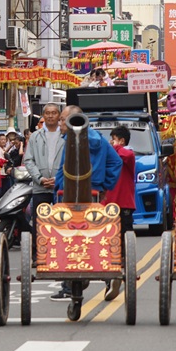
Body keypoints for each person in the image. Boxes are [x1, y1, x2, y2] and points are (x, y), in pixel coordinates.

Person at [50, 105, 123, 300]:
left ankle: (68, 287)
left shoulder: (75, 139)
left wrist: (57, 188)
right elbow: (116, 162)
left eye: (63, 119)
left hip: (70, 195)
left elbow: (63, 169)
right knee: (95, 235)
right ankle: (108, 277)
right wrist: (104, 185)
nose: (60, 123)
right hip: (93, 194)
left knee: (68, 237)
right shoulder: (97, 139)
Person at [23, 102, 65, 247]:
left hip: (60, 187)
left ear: (59, 116)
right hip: (40, 186)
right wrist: (39, 179)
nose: (50, 116)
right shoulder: (35, 136)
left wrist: (58, 179)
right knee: (39, 221)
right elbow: (28, 160)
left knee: (63, 220)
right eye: (47, 113)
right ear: (43, 116)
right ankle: (38, 253)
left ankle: (61, 251)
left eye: (54, 113)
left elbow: (71, 160)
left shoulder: (66, 135)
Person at [107, 125, 137, 239]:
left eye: (113, 139)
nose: (111, 142)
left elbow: (128, 155)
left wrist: (115, 147)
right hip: (109, 201)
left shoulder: (128, 154)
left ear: (122, 141)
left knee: (125, 232)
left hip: (124, 202)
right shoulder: (111, 154)